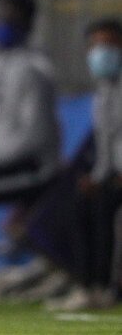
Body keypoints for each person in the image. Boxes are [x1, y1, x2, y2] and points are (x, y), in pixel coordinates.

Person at [46, 19, 122, 310]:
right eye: (96, 45)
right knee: (79, 204)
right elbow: (106, 146)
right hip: (113, 175)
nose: (102, 51)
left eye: (109, 44)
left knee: (103, 209)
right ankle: (88, 285)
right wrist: (97, 176)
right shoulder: (102, 93)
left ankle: (104, 287)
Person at [0, 0, 60, 205]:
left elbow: (37, 136)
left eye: (12, 17)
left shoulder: (37, 67)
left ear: (28, 23)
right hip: (2, 160)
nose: (4, 22)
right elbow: (0, 126)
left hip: (34, 166)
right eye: (1, 17)